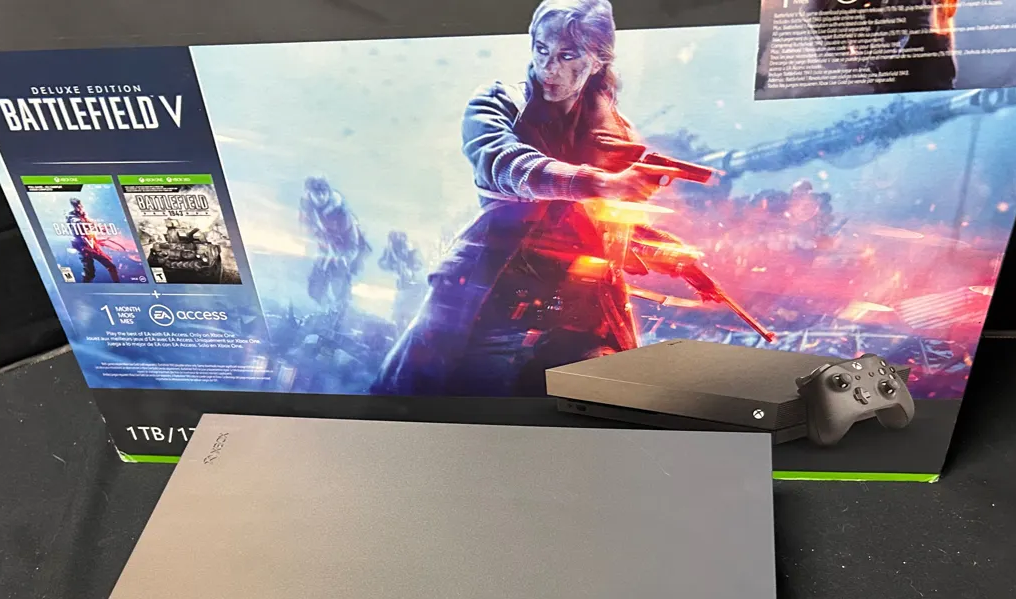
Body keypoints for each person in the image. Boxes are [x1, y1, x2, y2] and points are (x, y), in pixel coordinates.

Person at [374, 0, 713, 396]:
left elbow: (610, 225)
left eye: (567, 56)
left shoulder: (615, 134)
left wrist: (673, 257)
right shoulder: (499, 103)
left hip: (577, 313)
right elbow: (504, 163)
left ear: (597, 61)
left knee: (600, 406)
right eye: (541, 50)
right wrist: (601, 183)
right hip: (490, 304)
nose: (549, 68)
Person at [299, 176, 371, 311]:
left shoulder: (341, 213)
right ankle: (324, 310)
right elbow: (307, 228)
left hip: (345, 251)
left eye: (324, 192)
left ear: (328, 192)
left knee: (340, 287)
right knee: (314, 289)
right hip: (325, 251)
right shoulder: (308, 209)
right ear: (310, 194)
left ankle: (340, 311)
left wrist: (344, 259)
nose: (321, 196)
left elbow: (352, 242)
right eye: (317, 193)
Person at [66, 197, 120, 283]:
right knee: (90, 273)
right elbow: (79, 224)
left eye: (80, 205)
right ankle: (84, 288)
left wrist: (100, 228)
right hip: (83, 247)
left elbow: (90, 223)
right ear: (74, 207)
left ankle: (118, 285)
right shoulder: (72, 216)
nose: (79, 208)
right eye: (77, 206)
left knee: (111, 267)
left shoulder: (83, 215)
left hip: (92, 246)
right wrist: (95, 227)